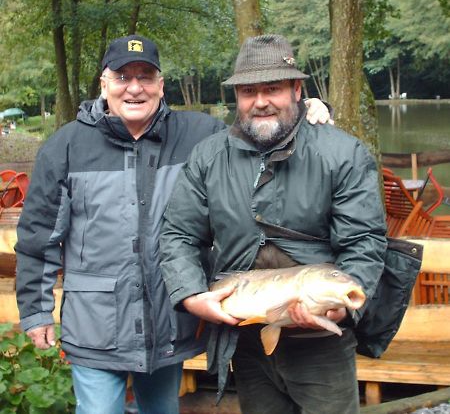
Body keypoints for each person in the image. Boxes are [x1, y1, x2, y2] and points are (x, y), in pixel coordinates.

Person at [15, 34, 331, 414]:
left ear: (161, 85)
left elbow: (260, 131)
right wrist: (35, 309)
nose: (135, 88)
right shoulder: (65, 146)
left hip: (169, 319)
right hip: (94, 323)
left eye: (146, 76)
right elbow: (38, 238)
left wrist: (305, 109)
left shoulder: (199, 135)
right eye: (122, 76)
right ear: (104, 83)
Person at [160, 34, 387, 414]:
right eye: (249, 91)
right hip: (246, 339)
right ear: (237, 97)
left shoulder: (343, 153)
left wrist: (341, 308)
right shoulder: (208, 156)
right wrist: (192, 296)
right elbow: (178, 235)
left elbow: (364, 242)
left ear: (297, 89)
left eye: (273, 88)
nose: (260, 101)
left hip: (321, 346)